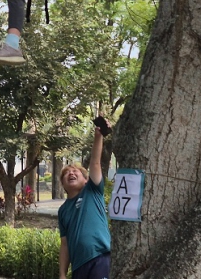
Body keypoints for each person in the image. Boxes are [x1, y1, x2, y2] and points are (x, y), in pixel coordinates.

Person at [58, 118, 111, 279]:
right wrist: (61, 274)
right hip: (78, 267)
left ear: (86, 180)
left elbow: (95, 163)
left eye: (76, 172)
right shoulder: (63, 210)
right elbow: (65, 244)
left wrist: (99, 136)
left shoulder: (92, 191)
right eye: (66, 173)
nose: (71, 173)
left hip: (100, 258)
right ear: (63, 184)